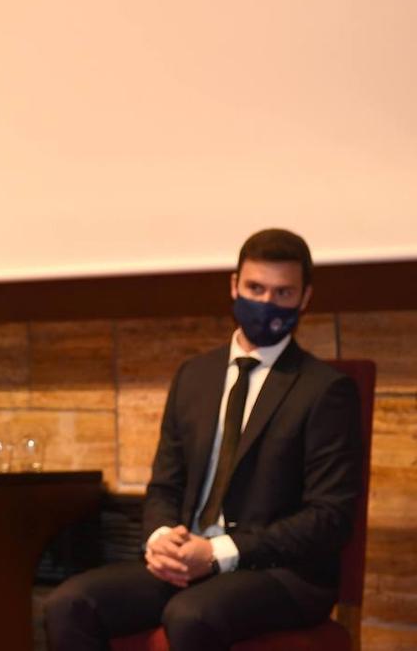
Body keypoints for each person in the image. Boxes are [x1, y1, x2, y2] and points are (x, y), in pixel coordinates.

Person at [43, 228, 363, 651]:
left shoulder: (325, 390)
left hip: (280, 573)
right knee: (68, 604)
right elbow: (165, 483)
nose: (267, 303)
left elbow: (329, 518)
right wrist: (160, 539)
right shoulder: (194, 376)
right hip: (188, 560)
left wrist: (218, 552)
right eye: (255, 288)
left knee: (191, 614)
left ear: (305, 299)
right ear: (234, 286)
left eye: (283, 293)